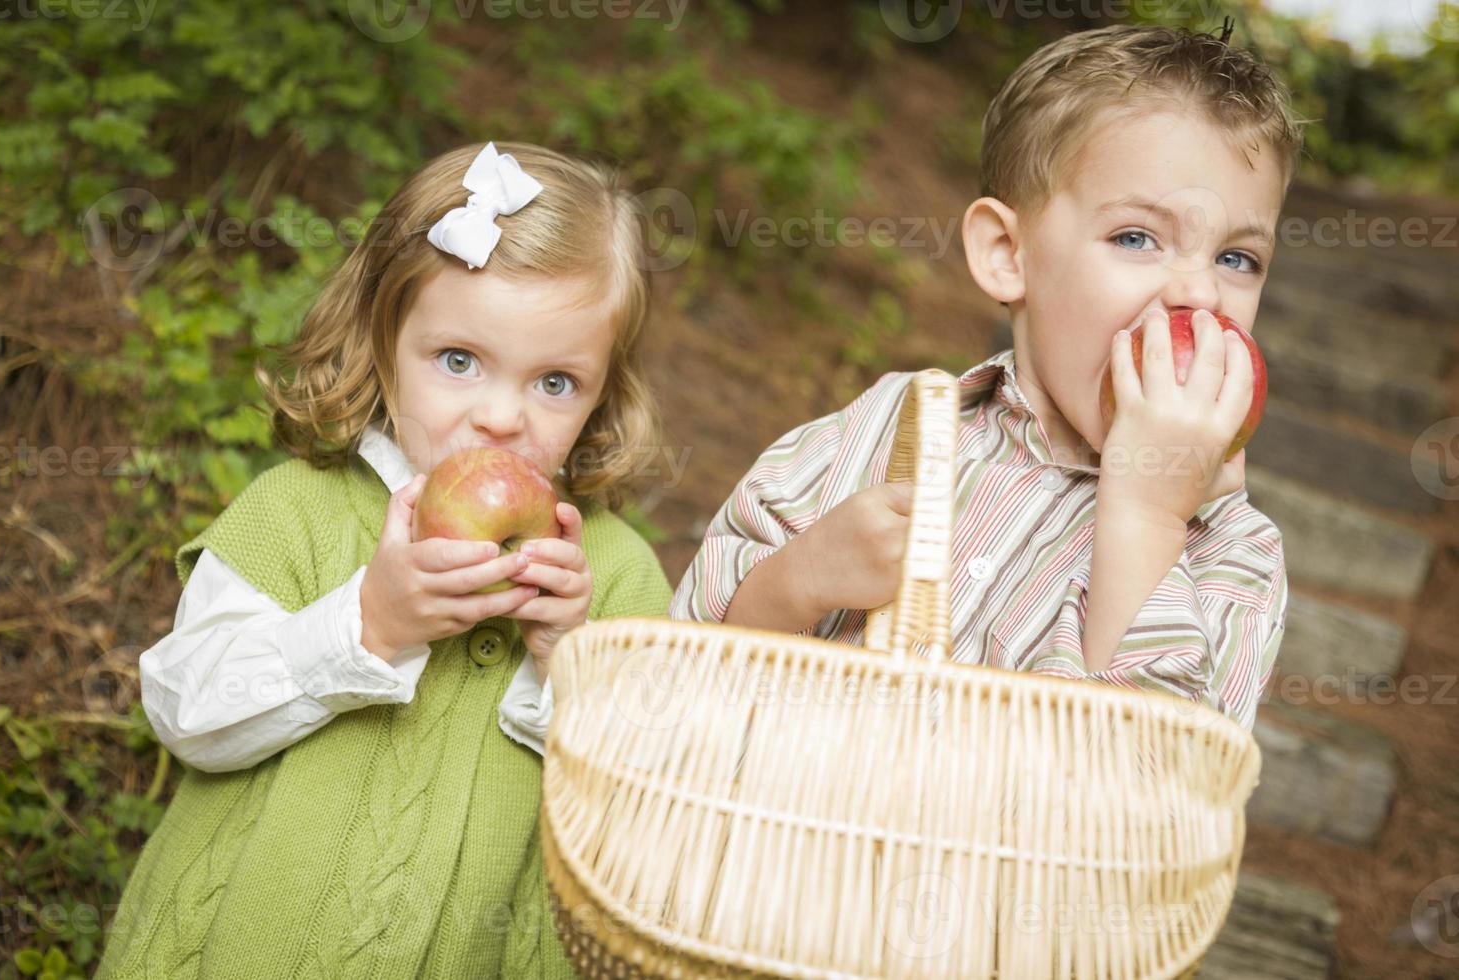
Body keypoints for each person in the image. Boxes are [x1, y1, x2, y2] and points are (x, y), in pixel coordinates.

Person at [97, 141, 672, 978]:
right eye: (459, 361)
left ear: (603, 392)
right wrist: (366, 627)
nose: (503, 417)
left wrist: (570, 664)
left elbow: (648, 810)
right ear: (381, 342)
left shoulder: (610, 575)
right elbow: (188, 712)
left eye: (556, 382)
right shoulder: (296, 512)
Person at [671, 23, 1302, 733]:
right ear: (1007, 253)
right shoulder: (888, 426)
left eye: (1238, 259)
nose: (1201, 295)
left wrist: (1149, 514)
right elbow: (676, 675)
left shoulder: (1234, 554)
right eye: (1136, 238)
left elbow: (1153, 798)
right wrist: (795, 583)